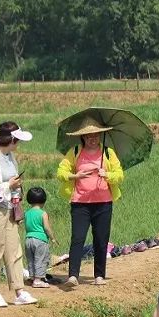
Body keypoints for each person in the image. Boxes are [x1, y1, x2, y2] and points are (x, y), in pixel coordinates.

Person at [57, 121, 125, 287]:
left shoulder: (108, 153)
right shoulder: (74, 152)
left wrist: (107, 174)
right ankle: (73, 275)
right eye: (89, 136)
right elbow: (61, 172)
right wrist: (75, 176)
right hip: (80, 203)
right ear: (83, 137)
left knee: (101, 239)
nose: (92, 139)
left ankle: (99, 275)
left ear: (100, 136)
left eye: (95, 135)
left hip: (103, 203)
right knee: (78, 238)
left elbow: (120, 175)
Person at [0, 121, 37, 308]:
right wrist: (8, 186)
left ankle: (19, 290)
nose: (17, 144)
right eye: (16, 140)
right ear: (10, 139)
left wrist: (16, 194)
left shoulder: (10, 156)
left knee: (14, 250)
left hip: (10, 207)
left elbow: (12, 182)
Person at [23, 187, 56, 289]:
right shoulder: (43, 213)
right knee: (40, 259)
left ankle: (32, 277)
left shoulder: (27, 213)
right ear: (43, 200)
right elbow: (46, 228)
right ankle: (38, 280)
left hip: (28, 239)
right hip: (40, 240)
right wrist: (53, 238)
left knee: (31, 259)